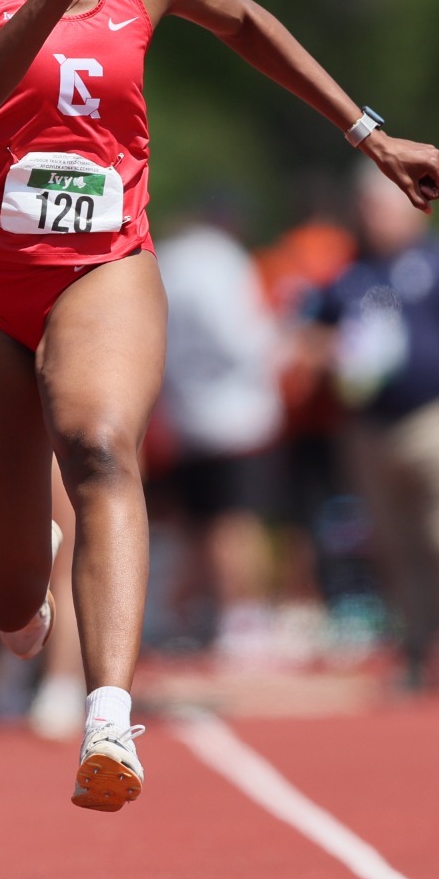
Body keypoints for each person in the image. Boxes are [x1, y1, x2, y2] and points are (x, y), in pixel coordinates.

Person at [0, 0, 439, 811]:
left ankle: (108, 717)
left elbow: (245, 24)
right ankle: (35, 595)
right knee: (8, 598)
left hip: (103, 264)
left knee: (102, 446)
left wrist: (367, 133)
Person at [314, 161, 439, 694]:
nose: (372, 217)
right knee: (397, 546)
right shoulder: (349, 274)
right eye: (366, 207)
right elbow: (313, 339)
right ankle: (416, 651)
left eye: (382, 207)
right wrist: (339, 358)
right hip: (372, 430)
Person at [154, 205, 284, 662]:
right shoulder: (225, 261)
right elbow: (243, 338)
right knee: (235, 522)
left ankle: (212, 613)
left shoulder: (167, 259)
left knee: (201, 525)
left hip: (186, 410)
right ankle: (242, 616)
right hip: (236, 413)